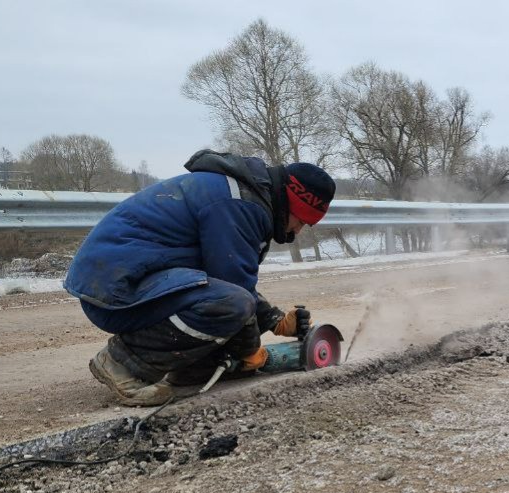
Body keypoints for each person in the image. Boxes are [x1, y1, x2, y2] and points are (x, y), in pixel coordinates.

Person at [64, 149, 336, 407]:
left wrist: (275, 322)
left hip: (122, 279)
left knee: (229, 301)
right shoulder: (241, 205)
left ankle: (196, 369)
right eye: (301, 220)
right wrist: (249, 350)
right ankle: (121, 362)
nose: (299, 230)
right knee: (231, 305)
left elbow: (225, 277)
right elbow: (233, 288)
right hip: (116, 291)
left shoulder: (244, 195)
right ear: (291, 202)